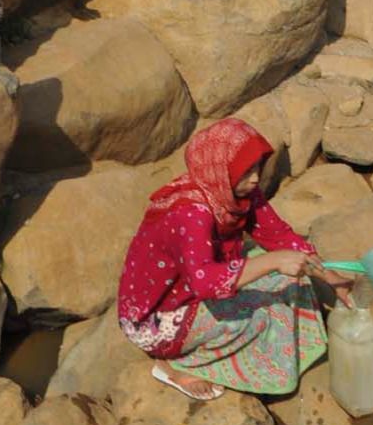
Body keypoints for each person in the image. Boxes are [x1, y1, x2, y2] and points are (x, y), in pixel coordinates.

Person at [118, 116, 352, 401]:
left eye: (256, 168)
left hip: (191, 285)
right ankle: (174, 365)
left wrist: (329, 276)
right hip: (157, 317)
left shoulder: (236, 193)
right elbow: (205, 283)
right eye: (245, 171)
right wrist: (273, 261)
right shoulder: (192, 213)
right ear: (219, 170)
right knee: (256, 320)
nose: (254, 179)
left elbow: (277, 234)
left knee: (291, 281)